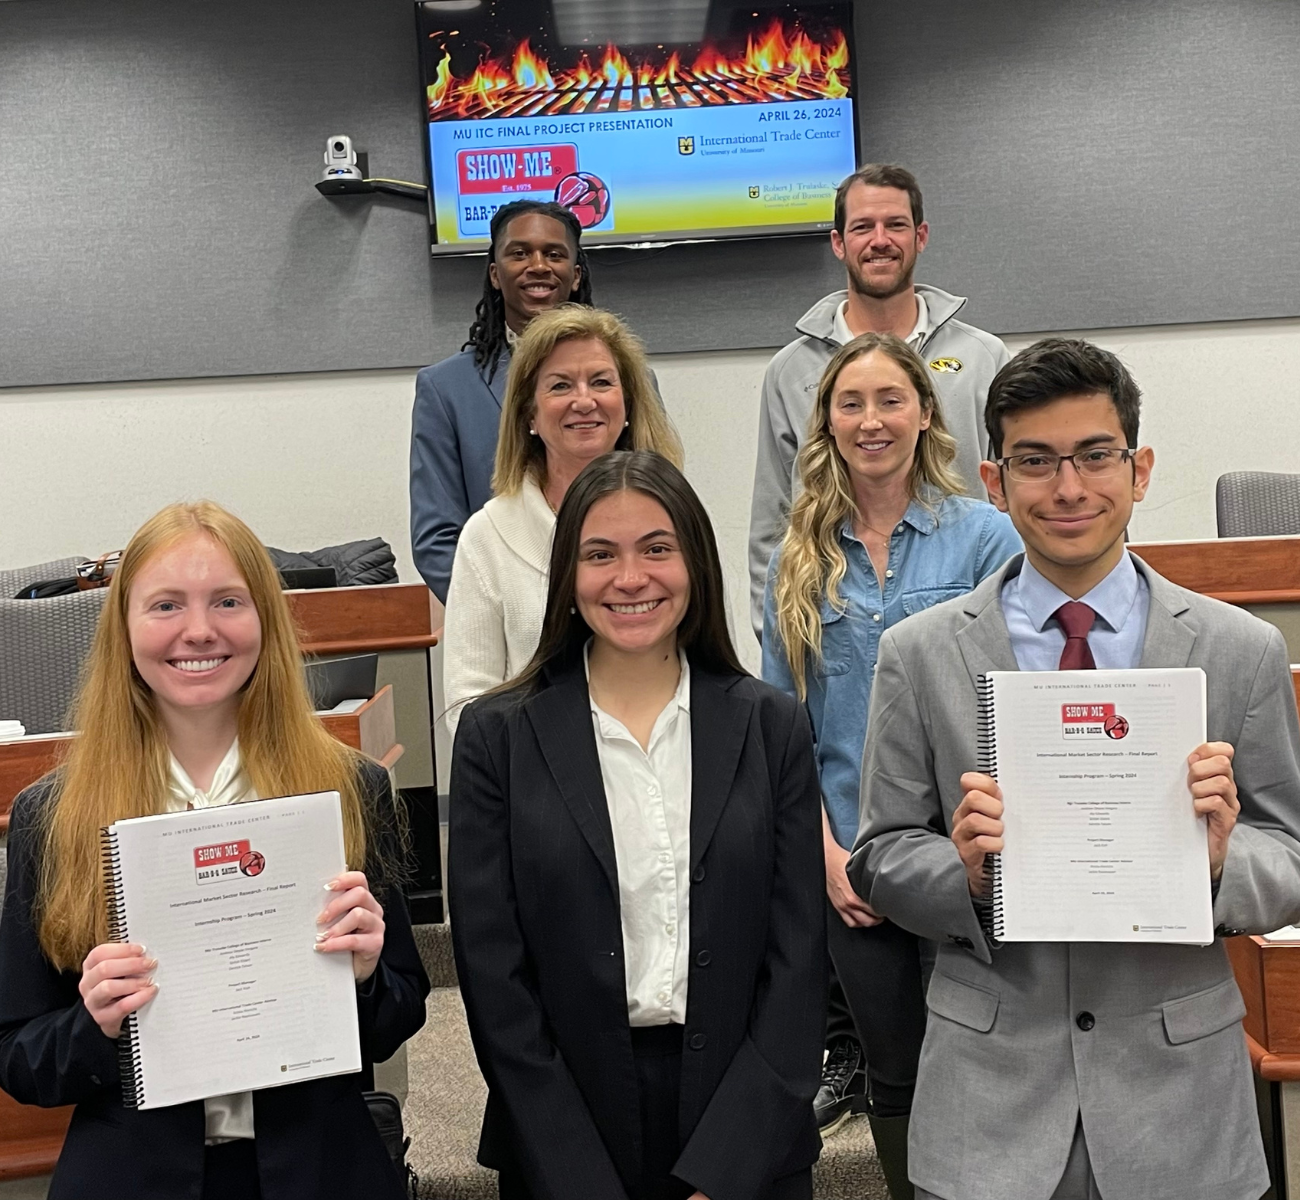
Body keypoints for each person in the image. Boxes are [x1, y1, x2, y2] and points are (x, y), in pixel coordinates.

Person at [850, 338, 1300, 1200]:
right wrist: (967, 874)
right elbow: (881, 854)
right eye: (1036, 461)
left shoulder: (1240, 650)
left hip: (1182, 1113)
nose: (1068, 488)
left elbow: (1290, 852)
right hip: (989, 1106)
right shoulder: (920, 654)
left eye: (1096, 455)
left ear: (1139, 469)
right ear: (994, 482)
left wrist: (1217, 864)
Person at [0, 501, 430, 1200]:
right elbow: (19, 1057)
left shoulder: (348, 789)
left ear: (265, 618)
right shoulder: (54, 814)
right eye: (166, 605)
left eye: (228, 601)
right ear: (124, 629)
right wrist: (95, 1024)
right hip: (134, 1175)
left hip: (318, 1167)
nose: (198, 631)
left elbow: (399, 1014)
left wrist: (366, 973)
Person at [449, 450, 826, 1200]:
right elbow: (493, 976)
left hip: (743, 1130)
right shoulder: (498, 737)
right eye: (599, 555)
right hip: (565, 1133)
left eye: (657, 548)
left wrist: (729, 1168)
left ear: (695, 561)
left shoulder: (770, 726)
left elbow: (798, 963)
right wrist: (575, 1175)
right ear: (567, 576)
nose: (630, 578)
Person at [760, 333, 1019, 1195]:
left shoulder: (984, 537)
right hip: (855, 865)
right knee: (895, 1069)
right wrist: (828, 858)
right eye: (851, 403)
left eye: (890, 400)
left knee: (989, 1052)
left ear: (924, 413)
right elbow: (782, 728)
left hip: (971, 853)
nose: (871, 420)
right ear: (827, 423)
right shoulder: (799, 560)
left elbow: (1012, 700)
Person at [748, 163, 1011, 635]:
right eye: (862, 227)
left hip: (963, 608)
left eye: (895, 225)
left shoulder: (983, 357)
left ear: (921, 236)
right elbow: (773, 518)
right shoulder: (790, 371)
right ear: (838, 242)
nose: (880, 240)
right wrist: (774, 628)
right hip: (836, 614)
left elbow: (1011, 490)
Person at [442, 308, 683, 737]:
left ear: (628, 403)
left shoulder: (677, 517)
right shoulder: (488, 536)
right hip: (537, 781)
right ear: (529, 415)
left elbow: (713, 669)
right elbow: (468, 707)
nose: (584, 400)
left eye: (602, 382)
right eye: (560, 386)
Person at [410, 199, 593, 602]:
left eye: (554, 254)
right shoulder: (445, 389)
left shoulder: (626, 380)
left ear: (575, 275)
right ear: (495, 274)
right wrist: (502, 615)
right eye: (520, 253)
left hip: (617, 612)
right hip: (505, 629)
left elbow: (658, 503)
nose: (539, 265)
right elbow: (437, 539)